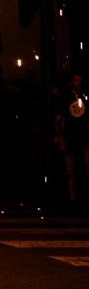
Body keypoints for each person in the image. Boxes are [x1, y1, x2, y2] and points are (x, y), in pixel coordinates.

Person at [55, 74, 89, 204]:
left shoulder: (85, 96)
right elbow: (58, 120)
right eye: (76, 80)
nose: (78, 83)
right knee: (71, 171)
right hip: (70, 136)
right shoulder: (66, 98)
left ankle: (80, 196)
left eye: (80, 80)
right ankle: (73, 198)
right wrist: (60, 137)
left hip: (84, 137)